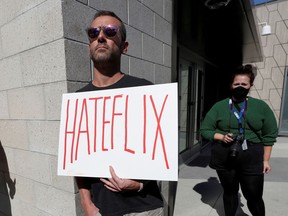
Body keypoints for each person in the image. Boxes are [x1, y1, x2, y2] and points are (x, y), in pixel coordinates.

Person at [74, 10, 164, 216]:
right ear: (90, 45)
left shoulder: (145, 91)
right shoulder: (78, 100)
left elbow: (160, 150)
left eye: (110, 31)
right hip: (101, 209)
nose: (101, 36)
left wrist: (140, 184)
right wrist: (86, 204)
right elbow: (76, 160)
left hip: (145, 208)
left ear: (124, 47)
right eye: (93, 32)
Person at [200, 64, 278, 216]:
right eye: (237, 84)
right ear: (231, 85)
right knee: (229, 192)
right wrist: (221, 136)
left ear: (250, 86)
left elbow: (270, 135)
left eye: (244, 84)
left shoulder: (260, 106)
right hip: (225, 154)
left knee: (254, 196)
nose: (240, 87)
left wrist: (265, 160)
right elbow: (205, 130)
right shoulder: (219, 106)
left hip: (252, 155)